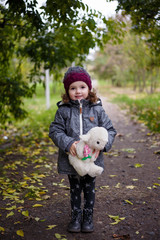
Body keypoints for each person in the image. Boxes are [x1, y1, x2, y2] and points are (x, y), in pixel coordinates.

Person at [49, 66, 117, 233]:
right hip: (72, 160)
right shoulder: (63, 111)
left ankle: (88, 216)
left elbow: (110, 130)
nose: (78, 91)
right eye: (73, 88)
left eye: (82, 87)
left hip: (92, 159)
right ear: (67, 90)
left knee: (89, 188)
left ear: (89, 88)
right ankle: (75, 216)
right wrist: (68, 143)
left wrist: (103, 146)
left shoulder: (97, 109)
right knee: (74, 189)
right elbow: (55, 130)